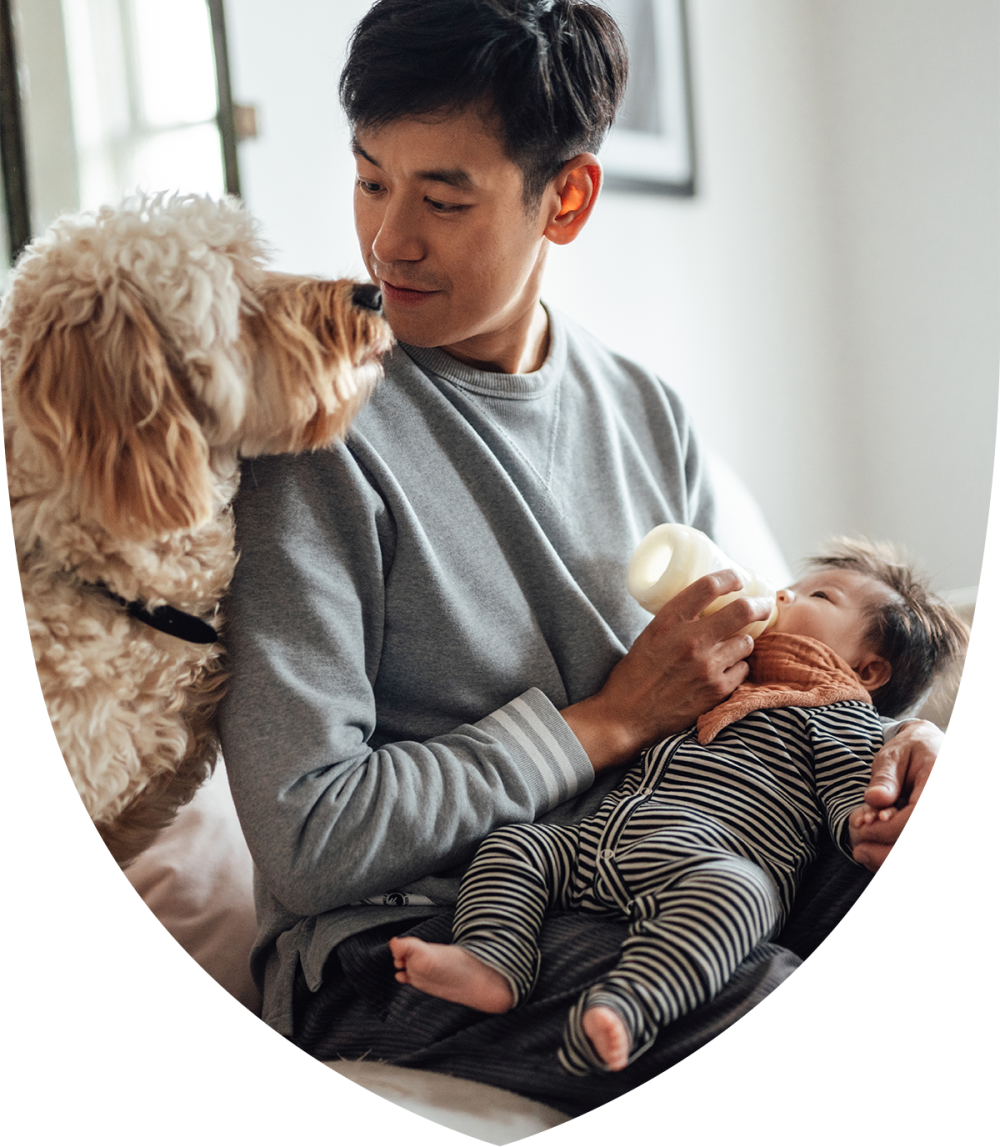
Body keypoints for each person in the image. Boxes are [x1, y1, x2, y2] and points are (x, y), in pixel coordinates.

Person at [217, 0, 944, 1115]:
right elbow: (311, 836)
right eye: (370, 179)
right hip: (407, 937)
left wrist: (902, 751)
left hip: (653, 864)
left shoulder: (649, 415)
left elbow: (780, 679)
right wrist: (604, 721)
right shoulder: (316, 429)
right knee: (751, 982)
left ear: (567, 197)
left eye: (442, 196)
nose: (387, 241)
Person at [388, 539, 968, 1075]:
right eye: (793, 583)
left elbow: (857, 797)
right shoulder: (717, 678)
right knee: (515, 845)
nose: (785, 593)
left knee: (739, 897)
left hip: (700, 863)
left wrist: (868, 815)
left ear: (868, 669)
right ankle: (493, 956)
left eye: (819, 596)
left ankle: (628, 1006)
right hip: (594, 842)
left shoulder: (832, 713)